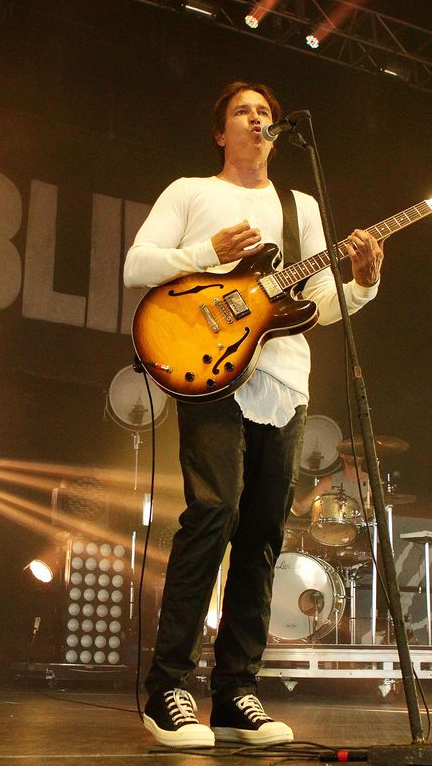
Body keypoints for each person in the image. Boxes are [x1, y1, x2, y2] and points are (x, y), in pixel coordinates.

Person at [123, 81, 384, 748]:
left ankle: (238, 692)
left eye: (266, 113)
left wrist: (361, 279)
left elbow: (319, 304)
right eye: (244, 111)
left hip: (284, 380)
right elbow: (137, 266)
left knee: (264, 533)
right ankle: (169, 690)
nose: (258, 120)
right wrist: (206, 252)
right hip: (211, 371)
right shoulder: (190, 192)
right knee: (213, 514)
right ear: (221, 132)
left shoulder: (301, 208)